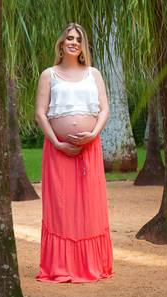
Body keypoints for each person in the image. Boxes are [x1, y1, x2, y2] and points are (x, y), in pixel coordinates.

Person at [33, 22, 114, 283]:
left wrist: (93, 134)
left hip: (89, 149)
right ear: (61, 42)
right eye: (69, 37)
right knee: (62, 207)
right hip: (58, 152)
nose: (73, 42)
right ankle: (61, 266)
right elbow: (40, 113)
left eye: (78, 39)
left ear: (83, 46)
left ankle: (90, 265)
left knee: (90, 207)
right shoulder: (49, 74)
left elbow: (104, 110)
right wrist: (57, 142)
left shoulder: (94, 74)